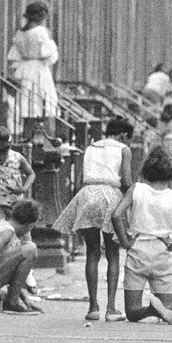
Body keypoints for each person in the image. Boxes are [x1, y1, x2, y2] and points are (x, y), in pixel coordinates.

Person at [53, 117, 133, 322]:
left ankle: (93, 307)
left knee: (92, 251)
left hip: (88, 195)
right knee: (113, 253)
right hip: (110, 196)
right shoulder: (123, 149)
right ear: (124, 135)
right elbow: (126, 180)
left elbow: (80, 179)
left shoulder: (91, 147)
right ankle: (111, 308)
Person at [111, 147, 172, 325]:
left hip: (137, 251)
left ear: (145, 172)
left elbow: (116, 215)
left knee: (133, 312)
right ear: (169, 176)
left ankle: (152, 310)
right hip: (162, 251)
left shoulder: (136, 190)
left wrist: (125, 242)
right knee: (168, 307)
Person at [0, 127, 38, 293]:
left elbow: (31, 174)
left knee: (24, 236)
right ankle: (2, 274)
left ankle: (28, 273)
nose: (0, 156)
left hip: (15, 203)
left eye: (3, 151)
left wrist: (23, 189)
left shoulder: (17, 158)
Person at [0, 199, 42, 314]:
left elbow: (14, 270)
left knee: (26, 250)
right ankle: (12, 303)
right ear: (30, 225)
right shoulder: (8, 232)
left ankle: (14, 300)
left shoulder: (3, 224)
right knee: (30, 249)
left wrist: (24, 298)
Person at [8, 1, 58, 135]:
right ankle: (39, 136)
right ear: (42, 16)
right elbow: (49, 54)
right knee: (41, 104)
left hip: (24, 69)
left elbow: (15, 55)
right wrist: (50, 40)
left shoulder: (20, 33)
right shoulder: (41, 31)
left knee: (27, 105)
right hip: (38, 69)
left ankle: (27, 134)